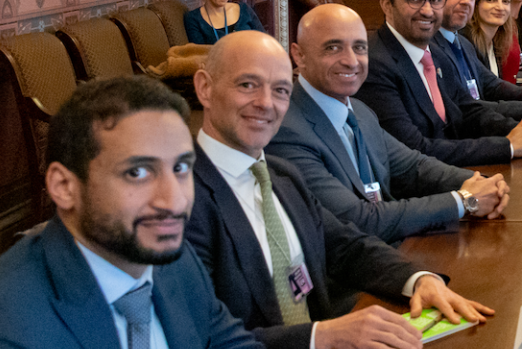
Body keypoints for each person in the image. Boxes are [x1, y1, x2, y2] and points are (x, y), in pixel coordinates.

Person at [186, 31, 493, 349]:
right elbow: (201, 338)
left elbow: (346, 247)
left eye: (280, 90)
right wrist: (320, 337)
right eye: (247, 85)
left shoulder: (279, 173)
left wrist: (418, 279)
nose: (266, 104)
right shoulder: (181, 200)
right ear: (205, 88)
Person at [0, 76, 263, 349]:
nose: (173, 201)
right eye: (138, 173)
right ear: (64, 186)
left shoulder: (174, 262)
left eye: (181, 168)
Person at [266, 4, 512, 243]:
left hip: (394, 250)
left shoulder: (359, 110)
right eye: (333, 48)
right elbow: (358, 220)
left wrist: (485, 183)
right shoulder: (286, 131)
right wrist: (465, 200)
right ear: (299, 55)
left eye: (360, 48)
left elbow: (413, 166)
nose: (351, 61)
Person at [354, 0, 522, 167]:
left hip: (458, 170)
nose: (428, 10)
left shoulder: (435, 52)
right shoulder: (373, 64)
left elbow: (467, 110)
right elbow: (415, 150)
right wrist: (507, 146)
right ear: (386, 5)